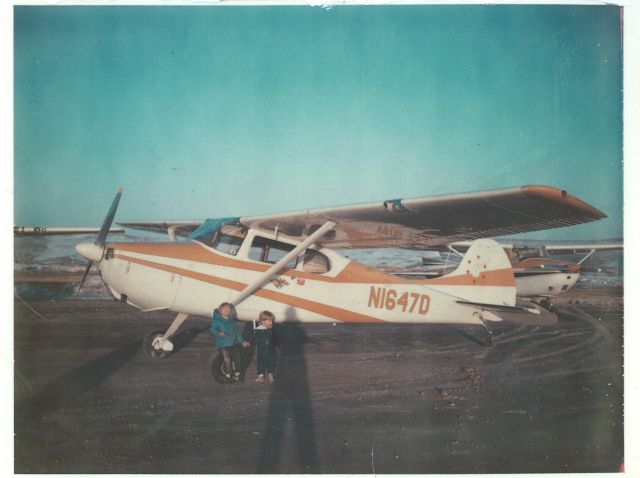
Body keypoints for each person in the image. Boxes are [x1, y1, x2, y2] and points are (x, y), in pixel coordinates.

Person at [211, 302, 249, 383]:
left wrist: (242, 342)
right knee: (227, 358)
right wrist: (218, 333)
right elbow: (213, 329)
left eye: (228, 309)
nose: (226, 310)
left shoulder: (232, 321)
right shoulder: (217, 321)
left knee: (237, 357)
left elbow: (237, 332)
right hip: (223, 344)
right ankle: (228, 375)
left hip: (233, 343)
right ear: (220, 310)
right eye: (224, 309)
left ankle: (237, 374)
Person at [248, 310, 279, 383]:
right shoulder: (258, 330)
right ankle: (260, 375)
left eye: (271, 321)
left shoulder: (271, 330)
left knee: (271, 362)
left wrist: (277, 344)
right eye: (268, 321)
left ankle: (270, 374)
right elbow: (253, 338)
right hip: (261, 350)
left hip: (270, 350)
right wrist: (249, 342)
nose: (270, 323)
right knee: (260, 362)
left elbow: (274, 338)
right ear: (262, 321)